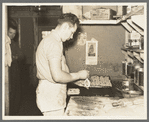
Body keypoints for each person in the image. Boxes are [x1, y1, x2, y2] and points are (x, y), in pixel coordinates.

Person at [36, 13, 90, 116]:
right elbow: (57, 76)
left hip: (51, 94)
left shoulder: (52, 41)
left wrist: (75, 80)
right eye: (72, 32)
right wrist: (79, 75)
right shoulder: (53, 44)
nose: (71, 37)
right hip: (51, 96)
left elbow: (57, 71)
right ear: (65, 26)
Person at [8, 18, 24, 115]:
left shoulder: (13, 43)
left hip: (14, 72)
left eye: (14, 33)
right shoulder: (5, 43)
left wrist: (15, 57)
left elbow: (22, 56)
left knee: (16, 95)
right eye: (10, 33)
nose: (12, 35)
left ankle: (13, 115)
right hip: (7, 74)